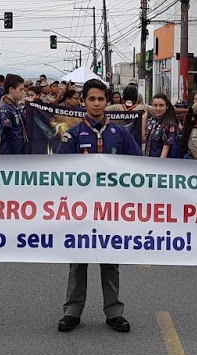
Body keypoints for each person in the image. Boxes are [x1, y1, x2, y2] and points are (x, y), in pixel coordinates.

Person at [55, 78, 140, 334]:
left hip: (111, 210)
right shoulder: (72, 134)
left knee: (110, 261)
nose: (96, 103)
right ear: (84, 101)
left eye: (100, 99)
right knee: (78, 261)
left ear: (106, 101)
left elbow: (139, 166)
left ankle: (114, 312)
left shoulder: (120, 133)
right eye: (91, 99)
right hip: (80, 210)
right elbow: (59, 170)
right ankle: (72, 311)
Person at [0, 73, 27, 155]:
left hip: (20, 147)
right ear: (11, 90)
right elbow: (8, 134)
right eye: (21, 90)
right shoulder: (5, 109)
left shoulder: (16, 106)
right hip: (11, 151)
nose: (23, 92)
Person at [145, 93, 179, 159]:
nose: (158, 108)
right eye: (155, 105)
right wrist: (144, 118)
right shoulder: (153, 120)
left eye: (161, 105)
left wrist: (159, 166)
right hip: (149, 160)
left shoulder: (170, 124)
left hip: (160, 163)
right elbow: (144, 139)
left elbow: (166, 149)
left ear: (167, 106)